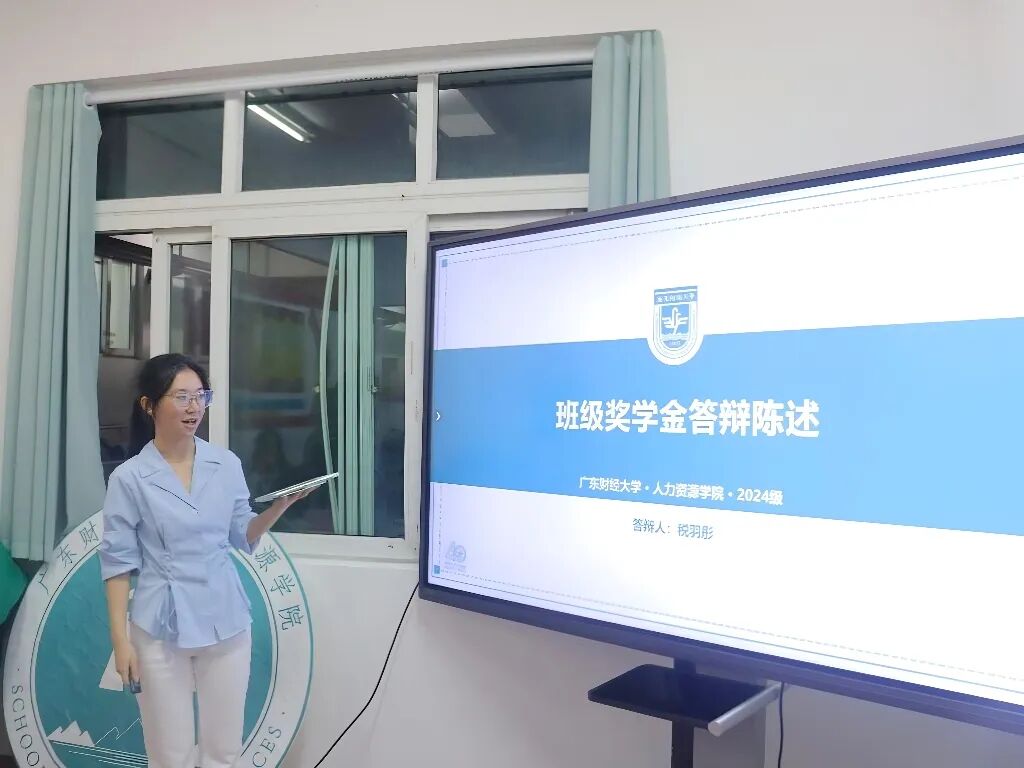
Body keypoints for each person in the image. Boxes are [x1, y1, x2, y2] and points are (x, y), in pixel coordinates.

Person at [100, 353, 309, 768]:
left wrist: (277, 509)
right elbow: (118, 564)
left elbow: (242, 534)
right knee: (170, 755)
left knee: (224, 752)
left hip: (225, 621)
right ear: (149, 405)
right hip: (159, 629)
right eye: (181, 397)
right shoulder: (129, 478)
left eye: (200, 396)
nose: (194, 407)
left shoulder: (226, 464)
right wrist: (121, 641)